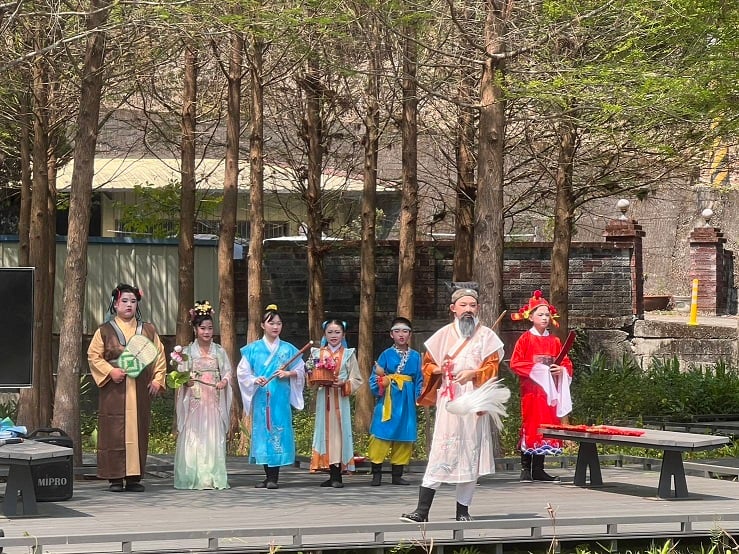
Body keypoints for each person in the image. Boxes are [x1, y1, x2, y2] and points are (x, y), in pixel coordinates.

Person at [400, 283, 503, 522]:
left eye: (472, 305)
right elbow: (427, 365)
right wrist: (439, 369)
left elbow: (492, 368)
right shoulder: (443, 334)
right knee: (441, 449)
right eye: (463, 305)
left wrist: (473, 373)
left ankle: (462, 510)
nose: (468, 309)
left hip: (474, 397)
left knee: (471, 452)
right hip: (450, 396)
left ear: (478, 309)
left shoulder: (487, 336)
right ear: (453, 308)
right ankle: (422, 511)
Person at [88, 283, 166, 493]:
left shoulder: (148, 330)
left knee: (138, 429)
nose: (129, 305)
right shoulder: (104, 330)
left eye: (133, 301)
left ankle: (134, 477)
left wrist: (158, 379)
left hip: (140, 387)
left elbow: (159, 355)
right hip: (114, 388)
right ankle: (114, 476)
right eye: (124, 301)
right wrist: (110, 371)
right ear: (115, 304)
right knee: (113, 430)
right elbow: (93, 356)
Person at [237, 304, 306, 489]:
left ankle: (274, 478)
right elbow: (242, 373)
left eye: (279, 323)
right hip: (262, 397)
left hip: (280, 398)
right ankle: (268, 476)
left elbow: (301, 369)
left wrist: (288, 374)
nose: (275, 327)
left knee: (277, 431)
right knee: (263, 432)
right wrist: (254, 379)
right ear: (262, 325)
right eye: (271, 323)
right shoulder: (252, 349)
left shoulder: (288, 349)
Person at [509, 290, 573, 482]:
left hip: (549, 392)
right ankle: (525, 468)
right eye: (540, 314)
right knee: (531, 424)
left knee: (546, 425)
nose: (544, 318)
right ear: (531, 317)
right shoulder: (525, 339)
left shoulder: (554, 341)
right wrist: (538, 370)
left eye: (547, 315)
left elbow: (566, 362)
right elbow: (516, 363)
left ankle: (539, 468)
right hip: (532, 391)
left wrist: (561, 370)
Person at [173, 300, 233, 490]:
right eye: (202, 328)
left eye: (209, 328)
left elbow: (227, 371)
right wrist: (186, 381)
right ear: (195, 329)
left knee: (213, 436)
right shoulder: (188, 352)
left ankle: (212, 477)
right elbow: (181, 375)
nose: (207, 332)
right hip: (195, 399)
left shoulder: (219, 351)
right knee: (194, 435)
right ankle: (193, 475)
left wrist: (224, 381)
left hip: (213, 398)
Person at [368, 317, 423, 487]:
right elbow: (375, 376)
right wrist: (381, 382)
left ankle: (397, 474)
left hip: (406, 400)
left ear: (410, 335)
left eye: (405, 331)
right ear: (391, 334)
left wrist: (419, 396)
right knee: (381, 433)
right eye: (397, 331)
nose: (401, 334)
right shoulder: (385, 354)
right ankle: (376, 474)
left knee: (404, 434)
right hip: (388, 399)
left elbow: (420, 379)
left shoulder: (416, 356)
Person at [308, 319, 364, 488]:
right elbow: (309, 375)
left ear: (343, 334)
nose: (333, 336)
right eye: (330, 332)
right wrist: (313, 376)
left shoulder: (348, 354)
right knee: (324, 434)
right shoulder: (317, 353)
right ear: (325, 334)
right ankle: (330, 472)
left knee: (339, 434)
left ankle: (337, 474)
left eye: (337, 332)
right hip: (324, 398)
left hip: (340, 399)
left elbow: (357, 379)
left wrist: (344, 383)